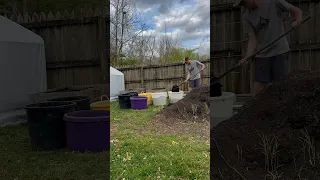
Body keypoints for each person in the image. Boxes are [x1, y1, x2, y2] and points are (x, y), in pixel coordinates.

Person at [234, 0, 302, 95]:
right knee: (258, 88)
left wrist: (297, 20)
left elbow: (296, 10)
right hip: (262, 55)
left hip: (280, 51)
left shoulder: (273, 2)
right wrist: (247, 57)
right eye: (241, 5)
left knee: (281, 85)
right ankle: (258, 109)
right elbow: (252, 40)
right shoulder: (246, 17)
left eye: (244, 3)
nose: (244, 6)